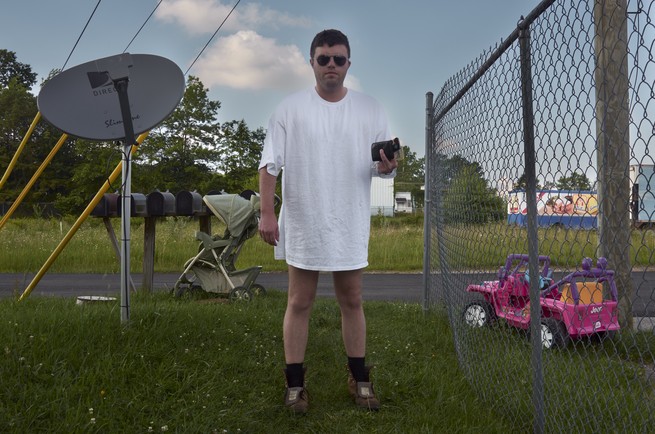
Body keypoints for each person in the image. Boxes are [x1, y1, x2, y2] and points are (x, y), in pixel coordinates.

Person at [258, 29, 398, 413]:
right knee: (299, 301)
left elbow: (383, 167)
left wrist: (388, 167)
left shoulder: (371, 109)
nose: (331, 65)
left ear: (349, 63)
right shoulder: (289, 109)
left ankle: (360, 379)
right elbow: (270, 164)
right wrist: (267, 213)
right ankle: (295, 386)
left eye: (338, 58)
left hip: (348, 221)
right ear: (312, 63)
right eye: (324, 58)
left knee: (352, 300)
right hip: (304, 220)